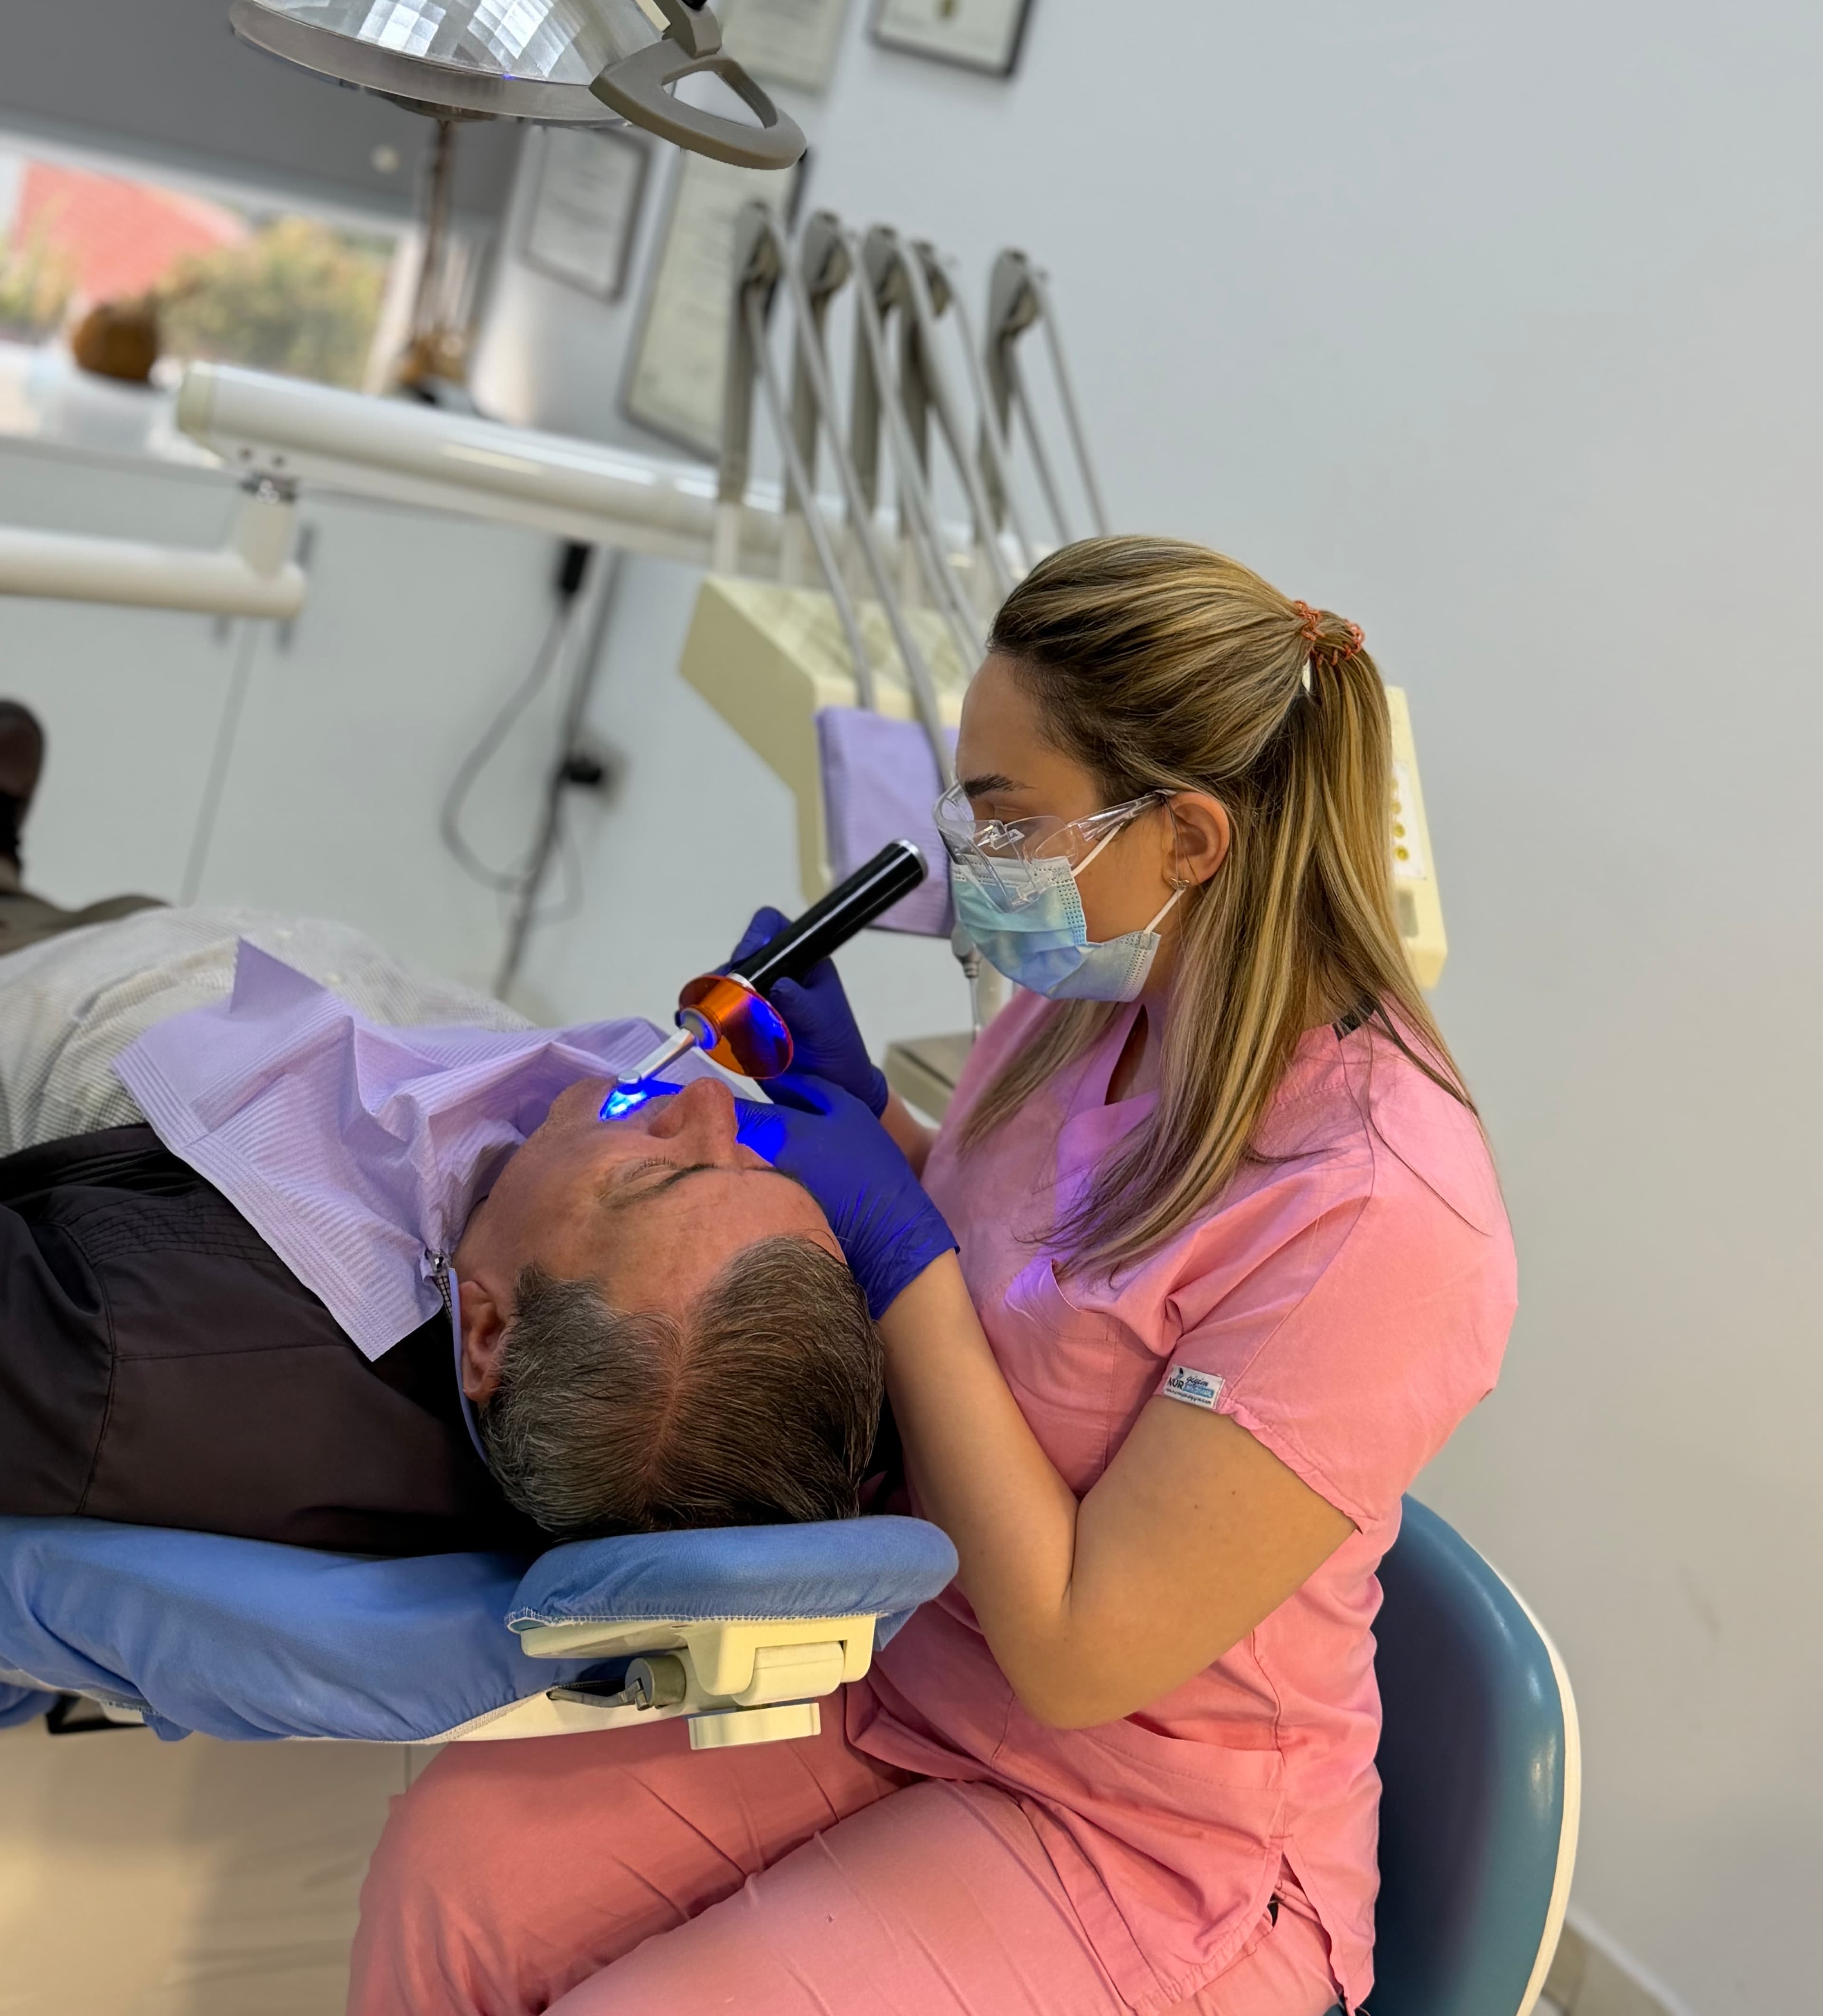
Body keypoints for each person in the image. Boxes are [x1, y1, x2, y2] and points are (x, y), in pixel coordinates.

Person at [348, 537, 1518, 2016]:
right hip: (908, 1675)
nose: (970, 854)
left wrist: (897, 1252)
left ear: (1193, 841)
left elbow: (1086, 1654)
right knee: (456, 1868)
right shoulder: (1084, 1004)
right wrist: (877, 1125)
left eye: (1005, 813)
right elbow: (1027, 1272)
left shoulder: (1384, 1219)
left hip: (1150, 1848)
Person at [0, 702, 882, 1555]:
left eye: (655, 1175)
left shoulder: (119, 1363)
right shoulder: (640, 1368)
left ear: (489, 1333)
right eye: (761, 1168)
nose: (710, 1106)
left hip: (48, 995)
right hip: (211, 962)